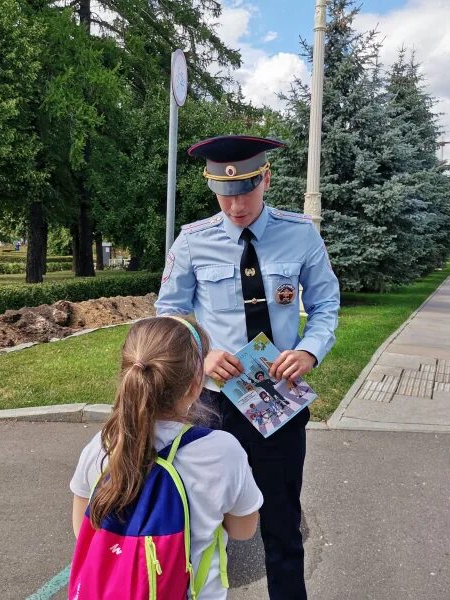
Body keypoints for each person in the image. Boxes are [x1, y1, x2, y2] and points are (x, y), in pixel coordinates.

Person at [156, 135, 340, 600]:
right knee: (196, 519)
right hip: (211, 406)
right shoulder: (193, 241)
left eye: (245, 192)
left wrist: (310, 351)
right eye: (224, 194)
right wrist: (202, 352)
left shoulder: (300, 234)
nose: (235, 205)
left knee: (281, 521)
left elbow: (326, 305)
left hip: (278, 401)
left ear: (267, 180)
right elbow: (168, 313)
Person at [70, 317, 263, 599]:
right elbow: (244, 530)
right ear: (196, 383)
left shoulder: (102, 447)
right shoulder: (224, 452)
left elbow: (84, 530)